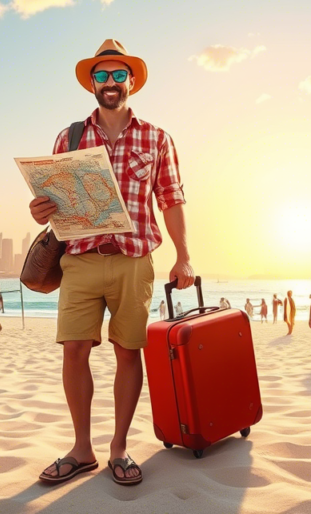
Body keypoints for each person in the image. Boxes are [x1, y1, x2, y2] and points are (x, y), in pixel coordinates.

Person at [31, 39, 192, 486]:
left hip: (134, 260)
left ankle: (118, 448)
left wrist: (184, 256)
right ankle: (81, 450)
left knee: (128, 352)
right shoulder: (70, 137)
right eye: (101, 76)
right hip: (80, 260)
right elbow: (55, 199)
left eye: (118, 75)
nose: (110, 83)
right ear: (92, 84)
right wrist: (40, 209)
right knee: (74, 349)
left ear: (132, 82)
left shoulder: (157, 138)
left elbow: (171, 199)